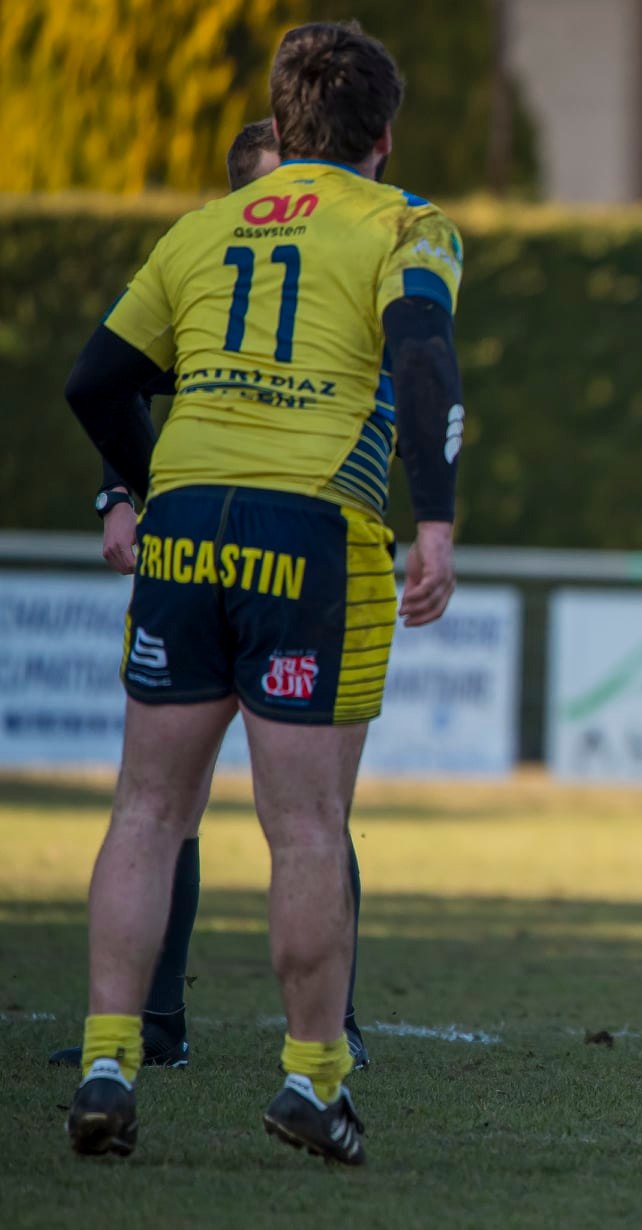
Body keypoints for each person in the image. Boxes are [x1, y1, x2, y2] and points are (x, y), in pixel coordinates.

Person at [60, 20, 465, 1165]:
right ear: (383, 137)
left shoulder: (198, 228)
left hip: (186, 528)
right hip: (313, 531)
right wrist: (432, 520)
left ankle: (105, 1059)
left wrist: (161, 486)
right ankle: (312, 1079)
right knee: (304, 828)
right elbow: (425, 361)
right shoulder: (406, 224)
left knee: (146, 810)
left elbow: (97, 381)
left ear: (279, 131)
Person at [51, 118, 371, 1076]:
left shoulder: (354, 259)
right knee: (164, 801)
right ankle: (151, 1026)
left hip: (318, 539)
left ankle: (333, 1021)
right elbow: (125, 380)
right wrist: (128, 489)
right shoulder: (211, 255)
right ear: (244, 195)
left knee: (313, 808)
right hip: (216, 540)